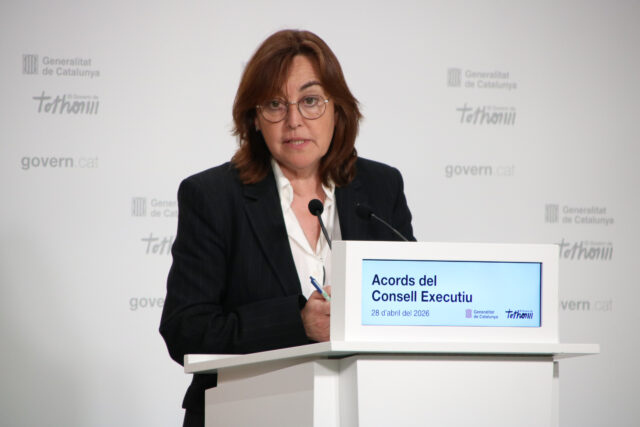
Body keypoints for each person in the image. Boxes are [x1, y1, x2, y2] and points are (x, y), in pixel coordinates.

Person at [159, 29, 415, 426]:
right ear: (255, 118)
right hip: (246, 412)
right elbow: (185, 329)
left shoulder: (381, 188)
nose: (294, 121)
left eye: (310, 101)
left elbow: (412, 304)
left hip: (365, 409)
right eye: (275, 104)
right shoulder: (213, 196)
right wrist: (299, 323)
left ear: (337, 109)